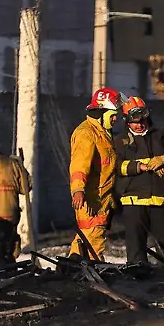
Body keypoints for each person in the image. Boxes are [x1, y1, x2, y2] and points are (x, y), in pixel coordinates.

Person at [114, 96, 164, 265]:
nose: (139, 125)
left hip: (161, 202)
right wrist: (143, 166)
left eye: (142, 120)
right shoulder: (119, 142)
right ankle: (138, 282)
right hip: (134, 203)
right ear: (127, 121)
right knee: (136, 251)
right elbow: (116, 167)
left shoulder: (161, 137)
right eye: (134, 122)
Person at [68, 87, 124, 260]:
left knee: (84, 242)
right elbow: (79, 165)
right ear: (101, 112)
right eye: (113, 115)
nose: (116, 119)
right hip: (92, 202)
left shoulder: (102, 134)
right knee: (93, 245)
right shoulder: (87, 134)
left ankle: (70, 272)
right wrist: (78, 190)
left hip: (101, 201)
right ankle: (90, 279)